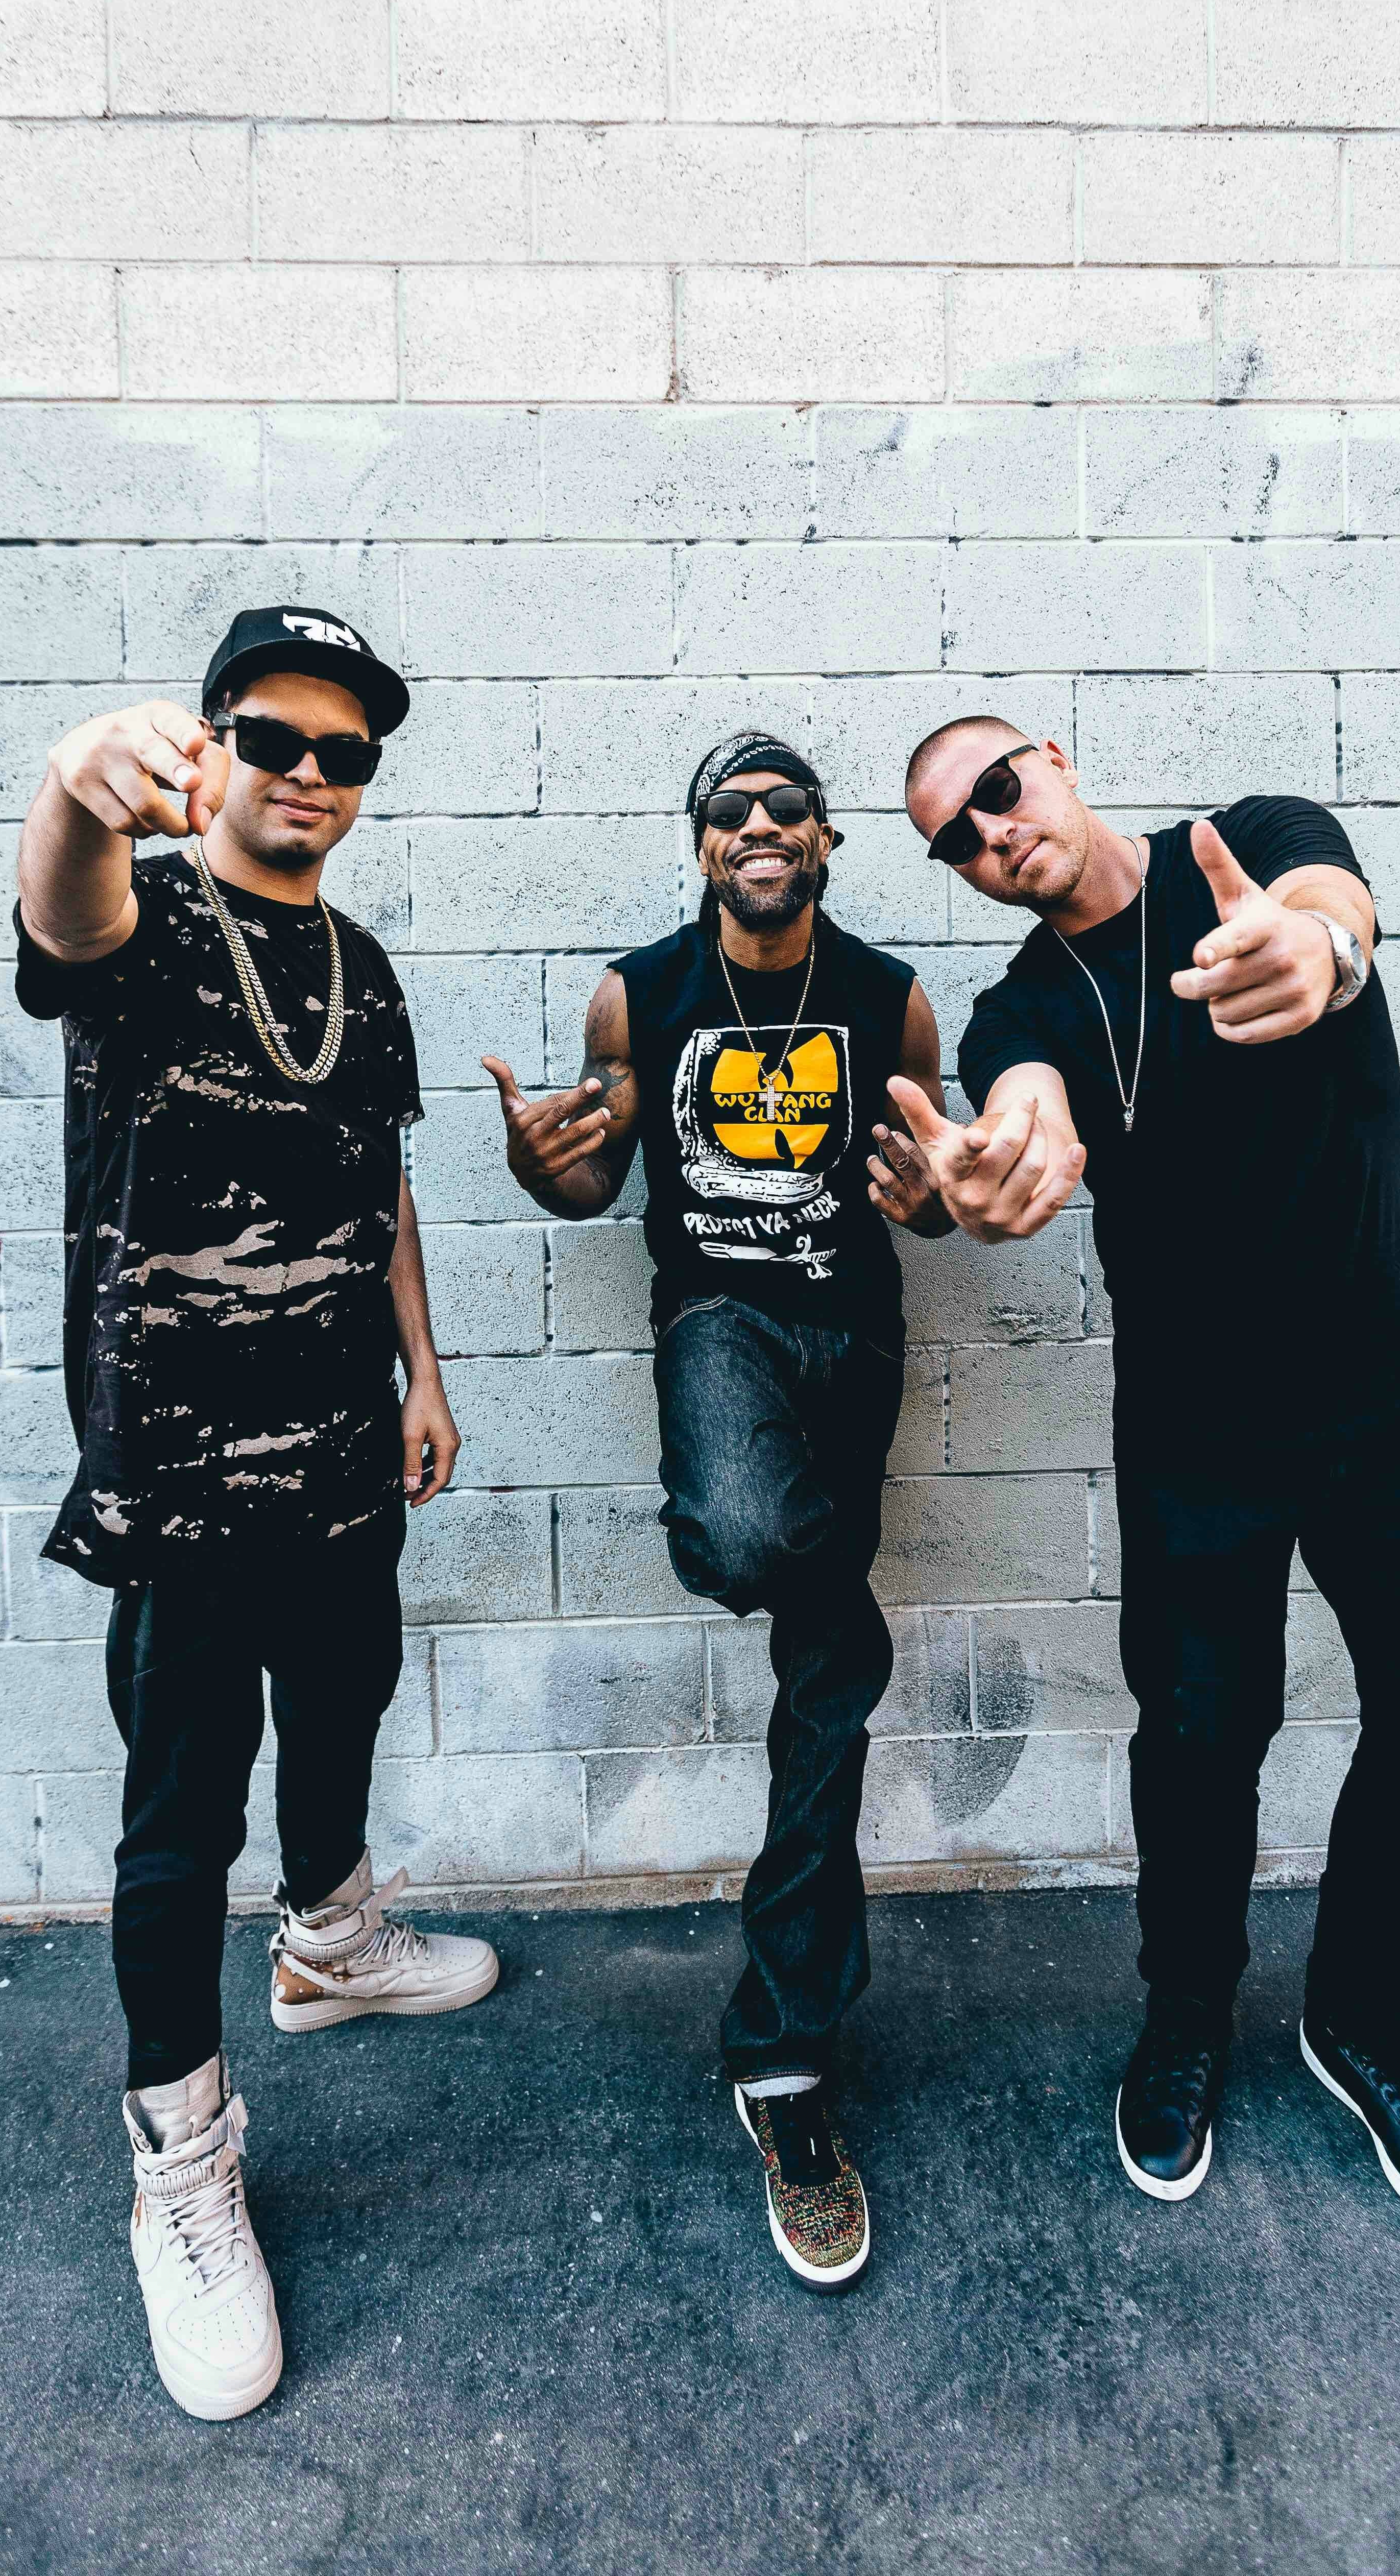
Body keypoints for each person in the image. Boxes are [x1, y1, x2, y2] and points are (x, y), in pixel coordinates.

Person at [890, 717, 1400, 2252]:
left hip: (1389, 1391)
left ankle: (1362, 2023)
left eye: (995, 791)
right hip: (1198, 1429)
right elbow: (1022, 1094)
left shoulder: (1252, 834)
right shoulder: (1022, 1001)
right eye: (953, 841)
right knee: (1198, 1744)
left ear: (1052, 757)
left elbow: (1329, 909)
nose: (990, 836)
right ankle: (1185, 2019)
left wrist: (1315, 952)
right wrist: (1008, 1154)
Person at [14, 607, 498, 2422]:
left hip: (343, 1447)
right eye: (272, 738)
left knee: (350, 1698)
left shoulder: (361, 967)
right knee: (178, 1808)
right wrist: (74, 785)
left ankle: (331, 1946)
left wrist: (426, 1373)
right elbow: (60, 912)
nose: (307, 773)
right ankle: (182, 2165)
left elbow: (378, 1182)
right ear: (213, 742)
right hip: (186, 1482)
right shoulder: (142, 927)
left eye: (343, 751)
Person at [484, 732, 952, 2291]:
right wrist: (540, 1164)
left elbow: (932, 1179)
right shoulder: (638, 994)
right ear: (698, 848)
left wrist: (941, 1189)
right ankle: (828, 1608)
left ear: (826, 842)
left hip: (855, 1338)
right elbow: (593, 1178)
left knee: (823, 1682)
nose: (759, 830)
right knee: (753, 1543)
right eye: (730, 813)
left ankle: (787, 2061)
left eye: (787, 811)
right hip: (720, 1327)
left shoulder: (890, 998)